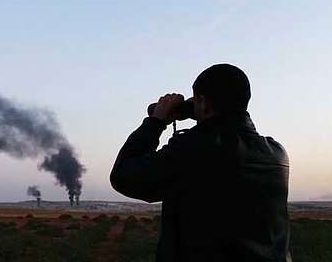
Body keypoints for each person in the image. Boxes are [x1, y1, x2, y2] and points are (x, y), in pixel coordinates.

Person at [110, 64, 291, 262]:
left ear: (203, 103)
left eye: (196, 101)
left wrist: (156, 121)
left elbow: (123, 175)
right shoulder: (277, 154)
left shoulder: (194, 150)